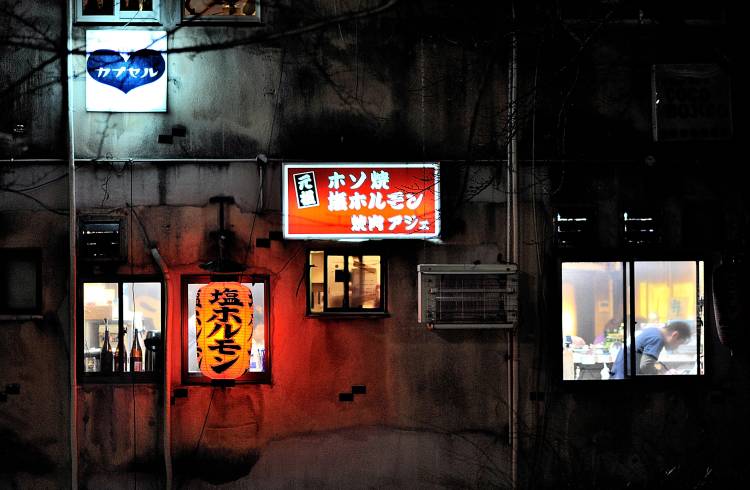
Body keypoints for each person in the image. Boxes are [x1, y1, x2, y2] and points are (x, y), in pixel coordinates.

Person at [610, 320, 691, 379]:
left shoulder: (654, 331)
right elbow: (646, 366)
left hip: (619, 371)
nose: (676, 347)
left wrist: (663, 369)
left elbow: (647, 360)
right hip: (623, 374)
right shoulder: (658, 339)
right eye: (678, 343)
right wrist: (663, 374)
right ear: (675, 335)